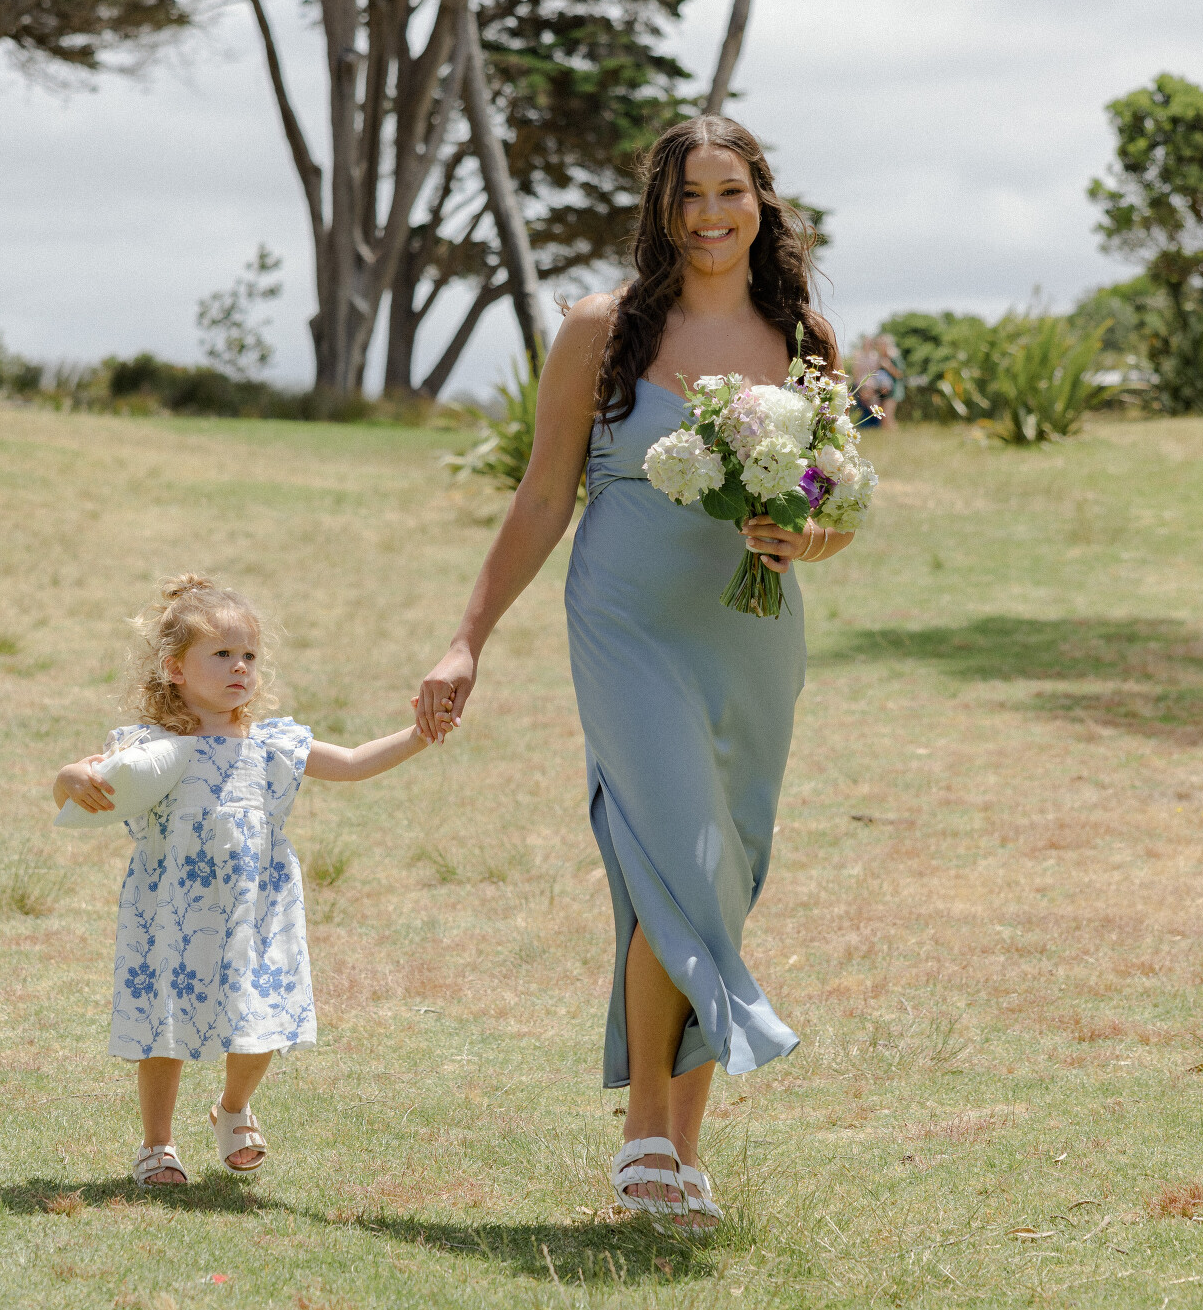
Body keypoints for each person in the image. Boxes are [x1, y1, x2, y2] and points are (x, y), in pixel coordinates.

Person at [412, 115, 858, 1232]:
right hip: (626, 627)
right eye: (688, 194)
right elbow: (542, 494)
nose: (710, 215)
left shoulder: (804, 335)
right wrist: (468, 636)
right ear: (661, 208)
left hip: (751, 634)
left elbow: (834, 503)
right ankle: (647, 1138)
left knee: (719, 874)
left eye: (730, 191)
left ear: (761, 200)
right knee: (675, 852)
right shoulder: (600, 328)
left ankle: (680, 1153)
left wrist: (806, 539)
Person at [51, 575, 441, 1188]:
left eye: (250, 656)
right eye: (222, 654)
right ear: (175, 669)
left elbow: (354, 762)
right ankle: (157, 1144)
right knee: (166, 1025)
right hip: (173, 910)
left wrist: (419, 734)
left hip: (254, 909)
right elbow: (83, 786)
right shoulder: (151, 749)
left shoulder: (270, 744)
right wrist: (70, 776)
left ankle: (233, 1109)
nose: (240, 667)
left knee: (259, 1016)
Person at [852, 332, 905, 428]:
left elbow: (900, 374)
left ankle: (896, 435)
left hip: (894, 391)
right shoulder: (882, 357)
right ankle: (891, 436)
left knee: (888, 417)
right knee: (884, 419)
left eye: (880, 344)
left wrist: (888, 366)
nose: (878, 346)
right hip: (885, 392)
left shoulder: (894, 356)